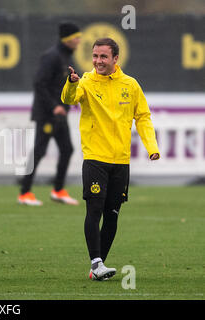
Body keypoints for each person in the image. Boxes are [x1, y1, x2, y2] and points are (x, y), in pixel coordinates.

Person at [61, 38, 160, 280]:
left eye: (103, 57)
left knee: (113, 214)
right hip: (95, 157)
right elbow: (69, 99)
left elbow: (143, 116)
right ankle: (96, 263)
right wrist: (71, 84)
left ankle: (98, 267)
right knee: (94, 209)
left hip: (121, 161)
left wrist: (152, 146)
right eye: (95, 56)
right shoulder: (85, 81)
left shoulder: (131, 84)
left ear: (116, 59)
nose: (98, 61)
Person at [18, 22, 82, 206]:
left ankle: (58, 190)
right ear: (69, 39)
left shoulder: (67, 57)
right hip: (48, 114)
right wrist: (54, 106)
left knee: (67, 149)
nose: (79, 41)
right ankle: (24, 193)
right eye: (77, 37)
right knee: (39, 151)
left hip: (60, 114)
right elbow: (39, 83)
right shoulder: (51, 56)